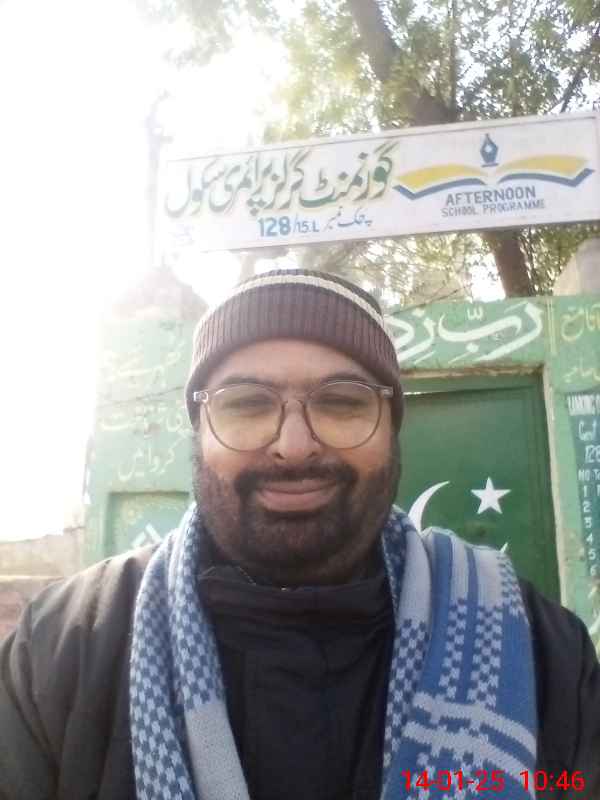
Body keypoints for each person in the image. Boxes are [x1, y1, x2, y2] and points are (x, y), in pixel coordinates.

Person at [1, 269, 599, 800]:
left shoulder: (540, 651)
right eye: (246, 404)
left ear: (392, 429)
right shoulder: (63, 647)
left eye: (341, 403)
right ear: (198, 432)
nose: (293, 446)